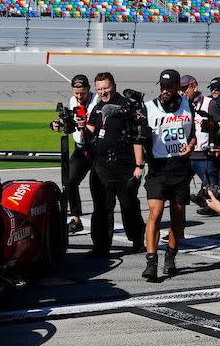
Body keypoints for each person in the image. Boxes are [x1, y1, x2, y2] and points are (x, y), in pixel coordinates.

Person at [83, 71, 146, 259]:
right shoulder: (97, 107)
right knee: (101, 207)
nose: (103, 92)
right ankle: (101, 246)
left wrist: (139, 166)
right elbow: (90, 132)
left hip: (124, 165)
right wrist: (76, 125)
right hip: (100, 165)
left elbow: (137, 136)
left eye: (106, 88)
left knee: (129, 205)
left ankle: (137, 240)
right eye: (99, 89)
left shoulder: (127, 105)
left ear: (114, 86)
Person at [141, 68, 196, 281]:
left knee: (178, 217)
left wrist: (191, 146)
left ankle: (170, 256)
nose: (164, 91)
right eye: (162, 87)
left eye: (169, 87)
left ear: (176, 88)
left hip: (180, 168)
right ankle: (151, 261)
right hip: (157, 169)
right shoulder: (148, 108)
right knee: (155, 213)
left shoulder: (186, 105)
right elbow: (139, 137)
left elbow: (192, 135)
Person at [50, 73, 98, 235]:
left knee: (101, 187)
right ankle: (76, 218)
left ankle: (104, 221)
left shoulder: (97, 102)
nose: (79, 96)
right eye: (76, 93)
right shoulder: (72, 101)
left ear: (89, 90)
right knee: (70, 181)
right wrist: (60, 125)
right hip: (81, 149)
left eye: (82, 93)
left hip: (97, 149)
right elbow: (70, 126)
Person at [181, 74, 219, 215]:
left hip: (204, 156)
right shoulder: (181, 105)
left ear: (194, 86)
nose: (182, 92)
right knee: (179, 194)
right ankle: (178, 230)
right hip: (185, 154)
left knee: (213, 192)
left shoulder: (210, 104)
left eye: (185, 88)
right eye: (180, 89)